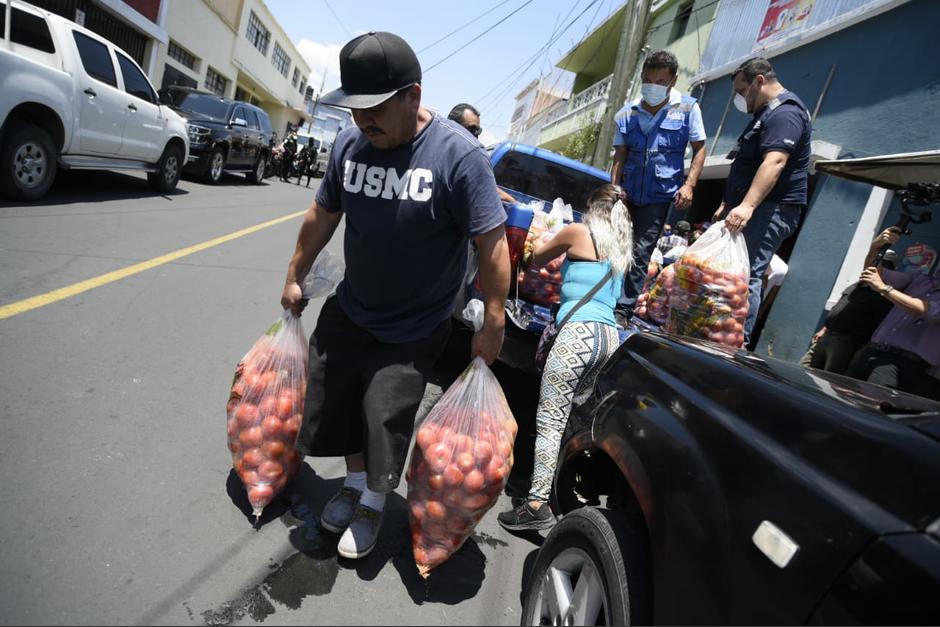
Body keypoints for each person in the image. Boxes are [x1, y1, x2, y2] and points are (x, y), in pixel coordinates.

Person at [280, 31, 510, 559]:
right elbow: (323, 213)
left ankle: (374, 503)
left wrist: (493, 318)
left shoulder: (459, 156)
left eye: (377, 109)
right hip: (353, 306)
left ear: (414, 95)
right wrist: (295, 272)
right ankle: (356, 485)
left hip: (414, 325)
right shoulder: (349, 144)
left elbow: (492, 243)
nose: (365, 122)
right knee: (336, 402)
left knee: (382, 413)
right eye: (357, 110)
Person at [497, 184, 632, 531]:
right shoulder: (619, 246)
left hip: (578, 334)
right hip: (608, 338)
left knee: (551, 418)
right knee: (575, 419)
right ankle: (562, 493)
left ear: (591, 206)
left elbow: (538, 256)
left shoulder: (577, 231)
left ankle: (537, 503)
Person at [713, 57, 812, 343]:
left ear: (759, 81)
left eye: (742, 91)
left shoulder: (785, 113)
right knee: (734, 272)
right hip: (754, 207)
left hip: (771, 209)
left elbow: (776, 161)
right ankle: (717, 333)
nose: (740, 99)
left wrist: (747, 205)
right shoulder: (765, 115)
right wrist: (729, 202)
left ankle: (734, 343)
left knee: (746, 274)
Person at [611, 50, 707, 324]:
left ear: (673, 80)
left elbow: (700, 149)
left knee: (641, 251)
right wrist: (613, 188)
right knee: (617, 246)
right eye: (649, 79)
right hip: (627, 194)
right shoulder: (626, 114)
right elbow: (620, 155)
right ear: (642, 77)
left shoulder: (689, 108)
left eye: (661, 81)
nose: (654, 85)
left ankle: (623, 310)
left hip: (659, 196)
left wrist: (689, 185)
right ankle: (603, 297)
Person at [844, 237, 940, 399]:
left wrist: (884, 289)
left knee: (868, 408)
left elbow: (925, 310)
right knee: (842, 397)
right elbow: (875, 274)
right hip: (872, 351)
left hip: (902, 364)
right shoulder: (921, 280)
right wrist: (876, 247)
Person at [800, 230, 899, 373]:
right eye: (879, 261)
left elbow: (879, 325)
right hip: (828, 335)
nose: (880, 266)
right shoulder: (857, 285)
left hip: (846, 342)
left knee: (826, 379)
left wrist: (862, 349)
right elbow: (841, 307)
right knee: (803, 369)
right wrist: (824, 329)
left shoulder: (883, 295)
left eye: (885, 264)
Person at [448, 102, 516, 204]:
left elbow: (484, 186)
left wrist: (514, 202)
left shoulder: (469, 158)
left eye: (478, 131)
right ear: (452, 125)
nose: (475, 135)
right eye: (471, 129)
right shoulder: (432, 149)